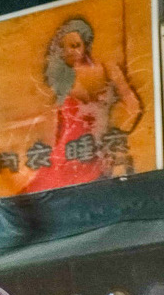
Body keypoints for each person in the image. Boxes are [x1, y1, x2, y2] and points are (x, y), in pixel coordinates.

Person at [28, 15, 143, 191]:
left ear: (86, 42)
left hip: (97, 152)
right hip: (66, 156)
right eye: (65, 48)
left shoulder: (108, 68)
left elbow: (134, 107)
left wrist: (116, 139)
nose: (72, 52)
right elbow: (57, 128)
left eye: (76, 45)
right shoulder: (62, 77)